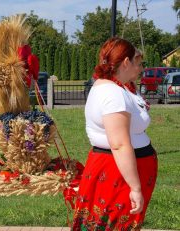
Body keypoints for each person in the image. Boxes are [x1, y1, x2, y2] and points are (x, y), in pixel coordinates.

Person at [72, 37, 158, 230]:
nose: (141, 67)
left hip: (117, 170)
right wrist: (135, 187)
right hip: (118, 174)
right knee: (115, 225)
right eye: (136, 62)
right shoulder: (113, 94)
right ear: (125, 62)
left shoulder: (108, 87)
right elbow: (119, 144)